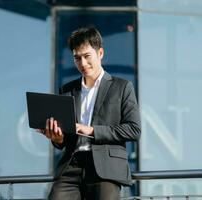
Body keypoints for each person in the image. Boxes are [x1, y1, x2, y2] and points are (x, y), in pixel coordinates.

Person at [38, 27, 141, 200]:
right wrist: (58, 139)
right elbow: (66, 139)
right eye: (77, 58)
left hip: (105, 168)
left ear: (100, 53)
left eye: (87, 56)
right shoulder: (67, 89)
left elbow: (134, 129)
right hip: (72, 166)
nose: (83, 64)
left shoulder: (122, 87)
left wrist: (91, 130)